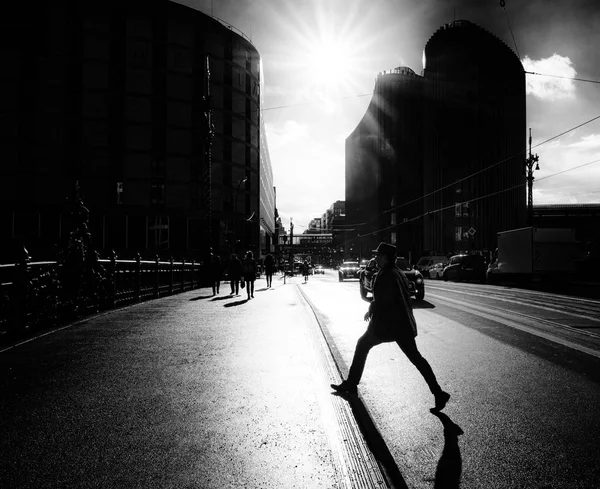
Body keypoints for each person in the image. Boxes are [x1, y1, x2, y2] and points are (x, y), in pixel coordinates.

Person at [331, 242, 451, 412]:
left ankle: (351, 384)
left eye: (378, 255)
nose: (375, 258)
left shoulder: (387, 274)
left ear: (386, 258)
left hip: (388, 326)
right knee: (417, 359)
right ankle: (438, 393)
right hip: (402, 326)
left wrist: (372, 313)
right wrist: (372, 309)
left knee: (362, 344)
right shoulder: (397, 273)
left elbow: (383, 301)